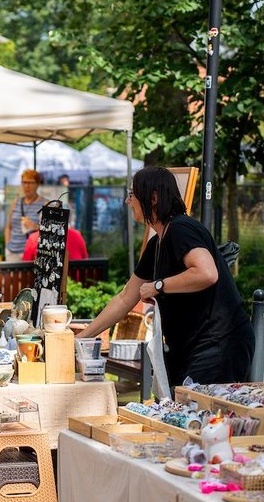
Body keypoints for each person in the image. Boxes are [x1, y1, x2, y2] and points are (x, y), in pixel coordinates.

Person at [76, 166, 253, 390]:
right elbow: (125, 298)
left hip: (219, 342)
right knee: (180, 412)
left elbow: (206, 273)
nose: (128, 201)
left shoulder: (181, 229)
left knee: (201, 417)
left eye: (132, 194)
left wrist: (159, 286)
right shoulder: (157, 242)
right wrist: (82, 337)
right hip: (190, 345)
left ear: (153, 197)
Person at [3, 169, 46, 262]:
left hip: (32, 253)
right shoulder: (16, 202)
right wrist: (7, 246)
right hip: (12, 252)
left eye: (30, 183)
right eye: (24, 182)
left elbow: (49, 232)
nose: (27, 186)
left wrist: (35, 227)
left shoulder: (45, 204)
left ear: (37, 184)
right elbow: (8, 227)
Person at [22, 226, 89, 261]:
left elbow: (25, 265)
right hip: (75, 284)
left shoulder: (34, 238)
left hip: (44, 285)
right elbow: (85, 259)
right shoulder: (76, 235)